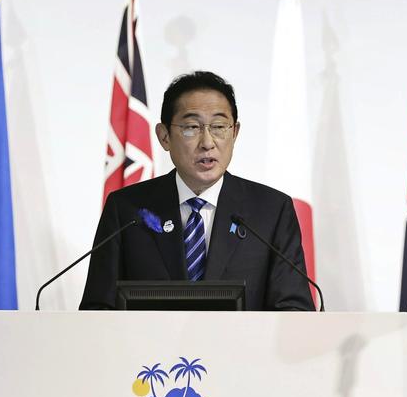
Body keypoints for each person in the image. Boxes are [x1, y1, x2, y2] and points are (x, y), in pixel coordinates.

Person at [80, 70, 315, 311]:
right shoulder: (127, 210)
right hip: (151, 350)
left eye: (219, 127)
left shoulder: (270, 211)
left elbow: (293, 312)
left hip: (242, 348)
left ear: (235, 133)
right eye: (191, 127)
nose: (207, 142)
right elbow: (98, 310)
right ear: (164, 137)